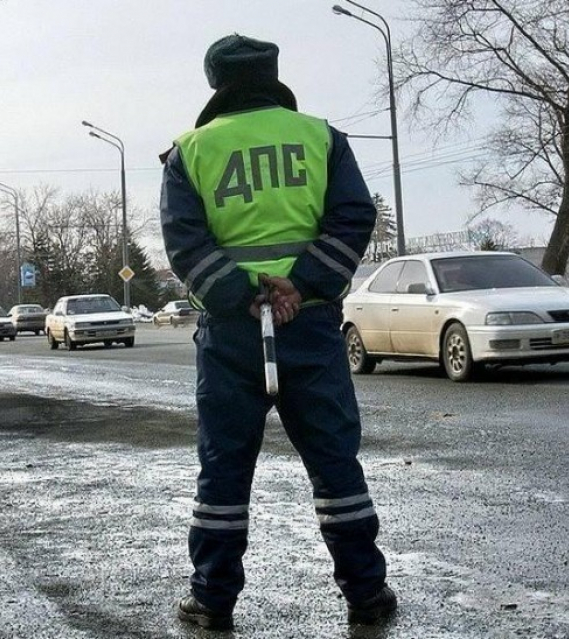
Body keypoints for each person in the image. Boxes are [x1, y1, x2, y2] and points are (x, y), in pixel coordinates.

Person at [159, 34, 396, 631]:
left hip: (233, 336)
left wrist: (242, 295)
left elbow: (187, 245)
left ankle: (212, 601)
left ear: (215, 83)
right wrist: (303, 283)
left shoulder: (189, 152)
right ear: (273, 74)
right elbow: (353, 216)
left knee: (224, 471)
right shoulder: (321, 137)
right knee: (336, 465)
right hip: (309, 325)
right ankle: (367, 594)